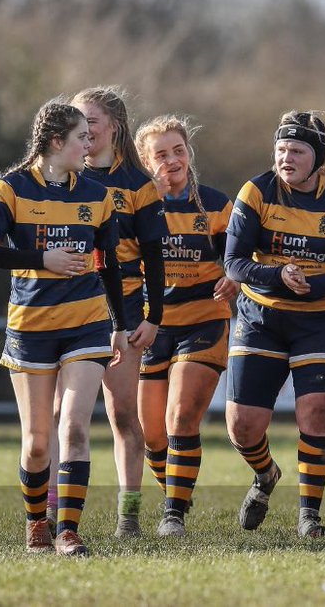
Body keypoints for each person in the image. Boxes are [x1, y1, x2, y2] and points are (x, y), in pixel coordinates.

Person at [0, 99, 127, 556]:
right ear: (56, 142)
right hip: (31, 328)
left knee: (75, 428)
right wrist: (42, 259)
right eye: (82, 137)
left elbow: (110, 264)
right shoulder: (10, 189)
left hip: (88, 324)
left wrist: (120, 324)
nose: (90, 143)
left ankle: (68, 531)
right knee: (38, 444)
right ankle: (37, 523)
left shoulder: (97, 195)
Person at [224, 111, 325, 538]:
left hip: (321, 320)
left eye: (296, 150)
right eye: (280, 149)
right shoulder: (255, 191)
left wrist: (311, 283)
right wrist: (278, 276)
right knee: (241, 425)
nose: (285, 157)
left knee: (316, 411)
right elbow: (234, 263)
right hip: (261, 317)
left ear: (319, 159)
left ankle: (309, 515)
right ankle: (265, 476)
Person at [68, 87, 167, 537]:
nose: (84, 129)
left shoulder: (138, 186)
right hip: (69, 303)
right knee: (59, 416)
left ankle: (128, 515)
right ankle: (50, 514)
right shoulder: (59, 177)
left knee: (124, 414)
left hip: (124, 308)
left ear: (114, 126)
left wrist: (152, 315)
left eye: (91, 120)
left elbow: (155, 256)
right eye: (77, 120)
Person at [135, 115, 238, 538]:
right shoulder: (134, 206)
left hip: (203, 320)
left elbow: (238, 258)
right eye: (161, 154)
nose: (172, 160)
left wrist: (236, 276)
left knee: (180, 418)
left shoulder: (214, 205)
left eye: (178, 151)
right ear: (145, 161)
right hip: (150, 326)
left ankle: (173, 514)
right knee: (152, 435)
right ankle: (177, 491)